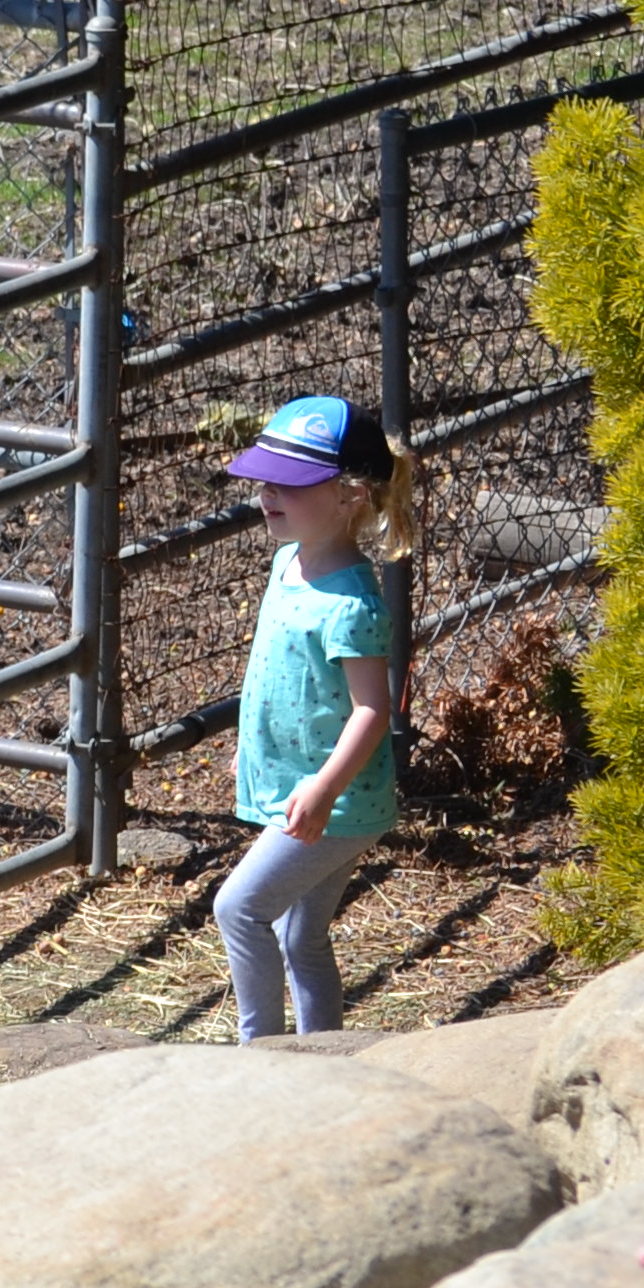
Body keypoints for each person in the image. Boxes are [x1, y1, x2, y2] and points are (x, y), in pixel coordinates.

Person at [213, 393, 416, 1041]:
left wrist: (325, 787)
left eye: (290, 484)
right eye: (265, 481)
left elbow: (372, 709)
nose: (267, 494)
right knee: (301, 935)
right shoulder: (288, 563)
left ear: (349, 496)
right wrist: (254, 745)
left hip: (337, 802)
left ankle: (261, 1053)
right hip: (306, 787)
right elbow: (281, 676)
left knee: (239, 909)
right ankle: (325, 1056)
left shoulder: (352, 603)